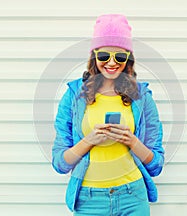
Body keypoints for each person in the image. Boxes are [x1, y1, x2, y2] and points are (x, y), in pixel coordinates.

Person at [52, 14, 165, 216]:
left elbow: (156, 164)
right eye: (104, 56)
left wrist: (132, 141)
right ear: (94, 56)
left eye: (120, 57)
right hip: (89, 200)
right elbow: (60, 163)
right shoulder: (74, 96)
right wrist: (89, 140)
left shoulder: (142, 96)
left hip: (133, 197)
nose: (111, 63)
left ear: (128, 59)